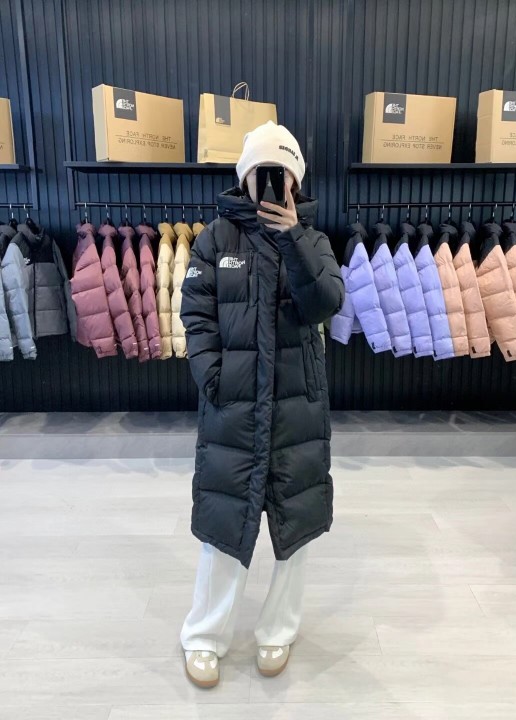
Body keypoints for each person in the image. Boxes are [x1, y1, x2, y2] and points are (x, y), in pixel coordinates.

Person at [179, 120, 344, 688]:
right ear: (244, 178)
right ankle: (204, 636)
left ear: (295, 181)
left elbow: (325, 302)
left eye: (281, 174)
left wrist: (293, 237)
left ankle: (279, 630)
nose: (272, 184)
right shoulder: (214, 240)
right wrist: (213, 378)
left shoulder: (314, 240)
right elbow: (195, 314)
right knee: (225, 528)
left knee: (294, 530)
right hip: (234, 406)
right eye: (261, 173)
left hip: (297, 409)